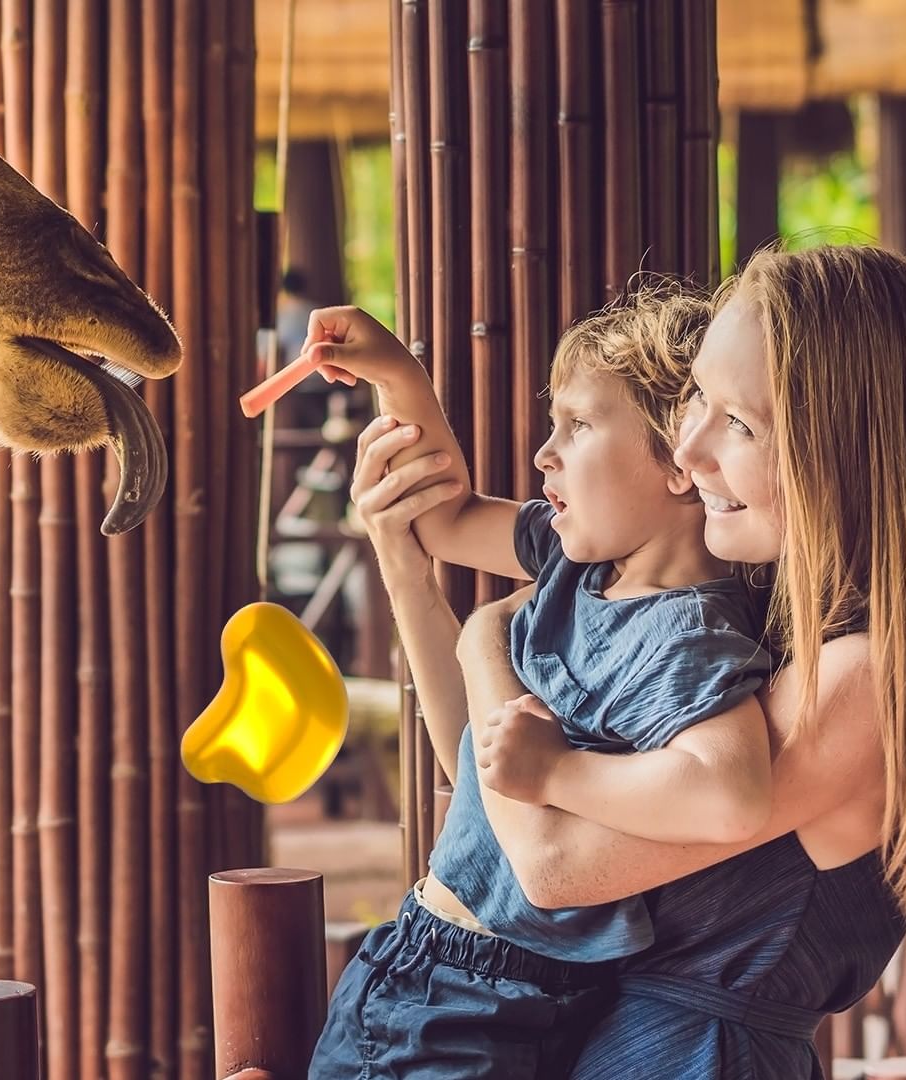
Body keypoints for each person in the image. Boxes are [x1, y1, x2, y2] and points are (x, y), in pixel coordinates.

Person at [344, 244, 906, 1078]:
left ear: (845, 450)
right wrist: (407, 567)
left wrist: (485, 638)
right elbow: (490, 796)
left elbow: (551, 863)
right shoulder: (758, 609)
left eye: (738, 421)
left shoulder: (863, 679)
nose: (690, 447)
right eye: (697, 397)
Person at [303, 281, 777, 1079]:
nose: (542, 454)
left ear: (676, 461)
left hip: (483, 995)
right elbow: (441, 518)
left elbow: (730, 790)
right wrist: (397, 376)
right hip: (427, 952)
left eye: (578, 424)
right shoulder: (572, 563)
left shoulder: (690, 636)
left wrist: (558, 770)